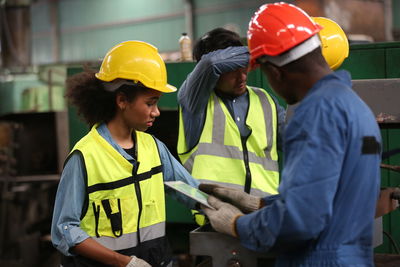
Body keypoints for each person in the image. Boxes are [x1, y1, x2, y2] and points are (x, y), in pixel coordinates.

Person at [200, 3, 381, 266]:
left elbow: (301, 220)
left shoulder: (315, 114)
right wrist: (259, 204)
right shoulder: (355, 107)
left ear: (275, 72)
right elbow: (330, 194)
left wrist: (238, 224)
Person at [51, 40, 199, 267]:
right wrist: (123, 262)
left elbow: (189, 190)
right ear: (122, 100)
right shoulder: (85, 157)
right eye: (150, 103)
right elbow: (65, 229)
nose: (156, 112)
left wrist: (223, 210)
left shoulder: (153, 148)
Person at [177, 28, 286, 206]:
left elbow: (296, 141)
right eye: (231, 68)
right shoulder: (195, 102)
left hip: (264, 212)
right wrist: (264, 51)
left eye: (243, 67)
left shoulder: (265, 100)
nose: (242, 76)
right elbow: (210, 63)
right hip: (216, 215)